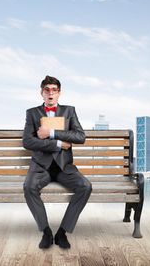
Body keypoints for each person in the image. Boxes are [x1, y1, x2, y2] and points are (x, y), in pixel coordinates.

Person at [22, 75, 92, 249]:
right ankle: (46, 231)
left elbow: (80, 137)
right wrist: (58, 143)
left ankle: (62, 232)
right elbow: (28, 142)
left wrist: (52, 132)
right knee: (28, 187)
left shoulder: (69, 111)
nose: (50, 93)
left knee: (85, 186)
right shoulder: (32, 113)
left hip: (64, 167)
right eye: (47, 90)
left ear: (59, 93)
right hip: (41, 167)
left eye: (54, 90)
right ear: (41, 93)